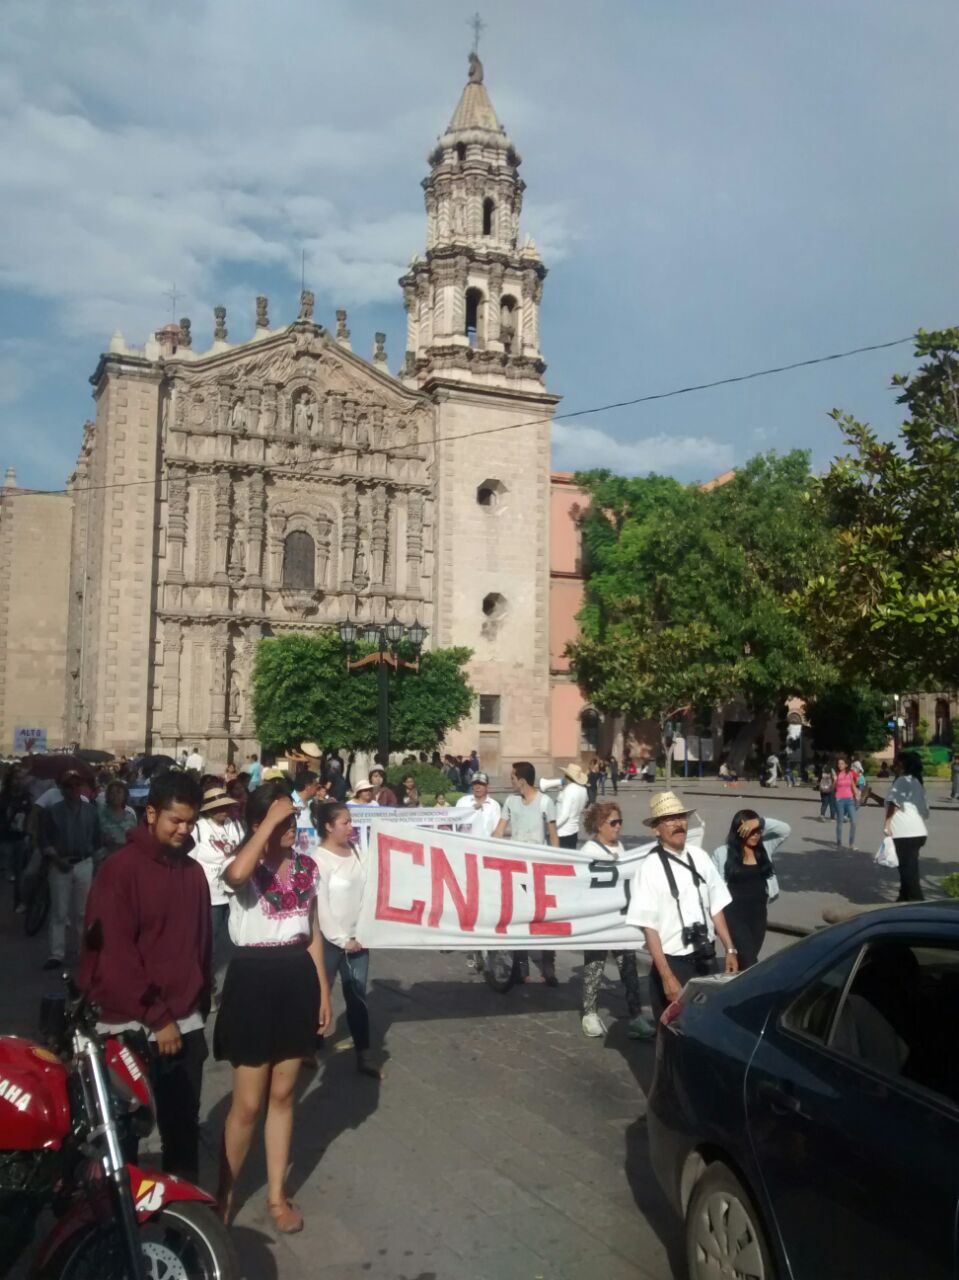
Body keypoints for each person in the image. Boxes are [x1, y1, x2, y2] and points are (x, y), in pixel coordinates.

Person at [79, 771, 210, 1181]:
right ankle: (117, 1233)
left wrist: (198, 1003)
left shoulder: (193, 873)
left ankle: (185, 1232)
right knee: (121, 1140)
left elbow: (201, 945)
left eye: (190, 822)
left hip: (185, 1022)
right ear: (151, 813)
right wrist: (157, 1017)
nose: (183, 830)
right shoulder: (120, 870)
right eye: (175, 820)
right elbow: (115, 954)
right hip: (129, 1025)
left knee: (182, 1132)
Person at [215, 783, 333, 1233]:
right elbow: (237, 877)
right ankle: (224, 1199)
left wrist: (323, 990)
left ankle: (276, 1196)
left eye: (291, 821)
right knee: (247, 1103)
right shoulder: (242, 863)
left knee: (283, 1096)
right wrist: (265, 825)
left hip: (295, 976)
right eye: (282, 821)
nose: (290, 829)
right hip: (252, 978)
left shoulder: (307, 867)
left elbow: (314, 931)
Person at [626, 790, 738, 1027]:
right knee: (675, 1033)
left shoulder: (700, 857)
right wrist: (667, 976)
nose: (678, 824)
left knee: (708, 1028)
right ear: (656, 829)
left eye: (681, 818)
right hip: (673, 963)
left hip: (706, 959)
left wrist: (730, 949)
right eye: (669, 819)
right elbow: (650, 928)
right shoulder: (649, 869)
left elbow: (716, 906)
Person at [312, 801, 380, 1078]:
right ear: (329, 826)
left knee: (357, 997)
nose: (351, 827)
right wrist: (341, 940)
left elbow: (369, 889)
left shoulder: (357, 852)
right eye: (345, 823)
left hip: (359, 939)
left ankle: (363, 1055)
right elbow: (322, 908)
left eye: (351, 822)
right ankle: (310, 1046)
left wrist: (365, 931)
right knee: (320, 994)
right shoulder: (318, 859)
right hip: (330, 942)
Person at [579, 802, 656, 1041]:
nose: (618, 826)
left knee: (629, 968)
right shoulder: (589, 851)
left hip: (622, 920)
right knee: (594, 967)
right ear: (599, 825)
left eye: (620, 821)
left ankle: (636, 1017)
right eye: (613, 822)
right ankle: (589, 1014)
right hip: (599, 921)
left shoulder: (621, 847)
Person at [493, 762, 560, 986]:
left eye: (512, 778)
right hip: (515, 870)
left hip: (539, 870)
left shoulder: (545, 802)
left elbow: (553, 837)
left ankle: (548, 966)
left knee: (545, 918)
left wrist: (558, 866)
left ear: (521, 780)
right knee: (518, 917)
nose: (510, 782)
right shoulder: (511, 802)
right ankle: (521, 967)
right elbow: (499, 831)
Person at [40, 770, 104, 970]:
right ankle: (56, 953)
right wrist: (57, 860)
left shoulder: (91, 811)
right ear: (62, 789)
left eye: (78, 785)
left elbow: (97, 838)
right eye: (70, 786)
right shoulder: (53, 812)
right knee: (59, 911)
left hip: (83, 863)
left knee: (82, 912)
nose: (75, 789)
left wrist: (94, 858)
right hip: (60, 863)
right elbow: (44, 839)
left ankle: (82, 951)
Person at [712, 811, 791, 969]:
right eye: (750, 831)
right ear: (738, 831)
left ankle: (736, 989)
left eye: (758, 831)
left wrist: (759, 822)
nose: (755, 835)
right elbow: (713, 888)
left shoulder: (765, 847)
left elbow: (786, 829)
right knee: (749, 961)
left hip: (758, 914)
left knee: (747, 958)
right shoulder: (722, 853)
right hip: (733, 915)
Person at [190, 786, 245, 991]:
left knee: (238, 939)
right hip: (210, 894)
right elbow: (190, 862)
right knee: (209, 943)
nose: (223, 810)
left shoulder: (236, 826)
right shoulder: (199, 828)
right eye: (218, 807)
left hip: (235, 892)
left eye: (225, 806)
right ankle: (208, 985)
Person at [884, 751, 929, 902]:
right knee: (907, 871)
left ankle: (918, 905)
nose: (894, 766)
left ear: (903, 765)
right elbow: (922, 811)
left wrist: (887, 824)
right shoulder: (916, 782)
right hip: (917, 832)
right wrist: (871, 796)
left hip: (905, 834)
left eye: (896, 763)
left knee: (908, 874)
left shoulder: (902, 781)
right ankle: (903, 901)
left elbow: (894, 804)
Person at [0, 765, 32, 912]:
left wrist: (28, 832)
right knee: (7, 870)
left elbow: (30, 816)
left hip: (20, 838)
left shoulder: (26, 797)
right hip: (4, 837)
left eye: (20, 779)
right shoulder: (3, 796)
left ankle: (18, 902)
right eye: (15, 778)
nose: (17, 781)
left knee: (19, 873)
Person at [98, 779, 138, 861]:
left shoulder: (130, 816)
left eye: (119, 792)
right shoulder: (100, 815)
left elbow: (135, 840)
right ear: (107, 795)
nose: (115, 795)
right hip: (106, 859)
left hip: (126, 859)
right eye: (112, 793)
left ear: (125, 795)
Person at [454, 771, 501, 837]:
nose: (477, 787)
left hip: (486, 844)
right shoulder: (462, 801)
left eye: (481, 784)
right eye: (475, 784)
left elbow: (496, 830)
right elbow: (454, 823)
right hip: (465, 844)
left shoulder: (494, 805)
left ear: (487, 786)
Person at [555, 763, 589, 849]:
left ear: (567, 776)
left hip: (562, 831)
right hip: (574, 830)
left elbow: (564, 815)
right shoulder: (583, 790)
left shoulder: (569, 790)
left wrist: (551, 827)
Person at [833, 754, 858, 849]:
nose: (840, 765)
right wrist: (835, 780)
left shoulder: (850, 773)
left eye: (842, 763)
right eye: (839, 763)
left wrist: (856, 794)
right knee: (839, 822)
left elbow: (853, 785)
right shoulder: (836, 774)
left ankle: (851, 844)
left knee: (854, 822)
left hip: (850, 800)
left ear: (846, 765)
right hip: (839, 800)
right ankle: (839, 842)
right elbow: (832, 788)